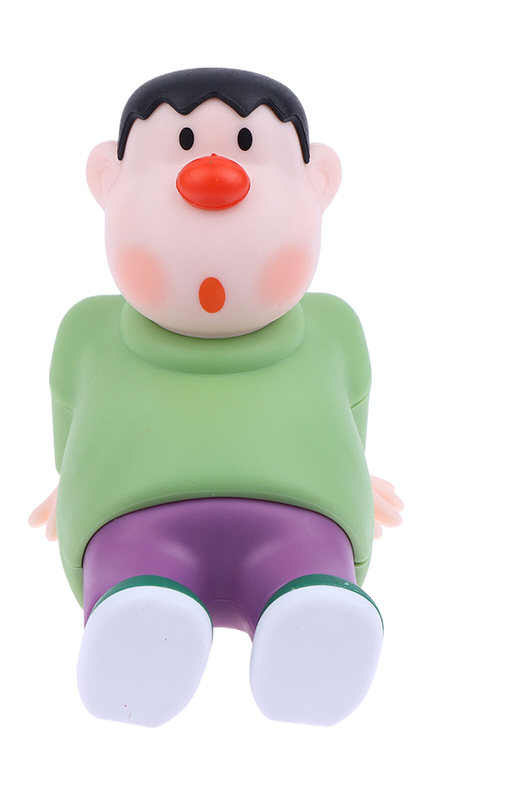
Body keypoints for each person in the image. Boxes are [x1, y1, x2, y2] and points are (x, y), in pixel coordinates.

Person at [30, 68, 403, 727]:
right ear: (107, 179)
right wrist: (70, 482)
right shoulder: (88, 333)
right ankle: (137, 626)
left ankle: (312, 624)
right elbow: (70, 430)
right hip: (129, 520)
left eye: (246, 144)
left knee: (311, 574)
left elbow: (352, 422)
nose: (213, 177)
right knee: (134, 580)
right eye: (181, 144)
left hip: (306, 519)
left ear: (319, 183)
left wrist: (355, 476)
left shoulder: (334, 329)